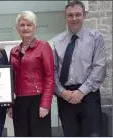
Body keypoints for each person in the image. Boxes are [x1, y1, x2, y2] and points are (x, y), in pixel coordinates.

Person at [53, 0, 106, 137]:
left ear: (84, 16)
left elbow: (99, 68)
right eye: (70, 15)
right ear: (65, 17)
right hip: (65, 97)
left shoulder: (95, 38)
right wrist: (61, 91)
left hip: (88, 95)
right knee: (70, 134)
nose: (74, 18)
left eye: (78, 14)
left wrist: (81, 92)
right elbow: (52, 71)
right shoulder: (58, 41)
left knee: (92, 134)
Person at [8, 11, 54, 137]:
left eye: (29, 24)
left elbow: (50, 77)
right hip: (19, 102)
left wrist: (45, 104)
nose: (25, 28)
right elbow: (11, 79)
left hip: (37, 100)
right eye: (22, 25)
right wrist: (10, 105)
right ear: (17, 28)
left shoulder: (44, 46)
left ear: (35, 27)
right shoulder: (13, 51)